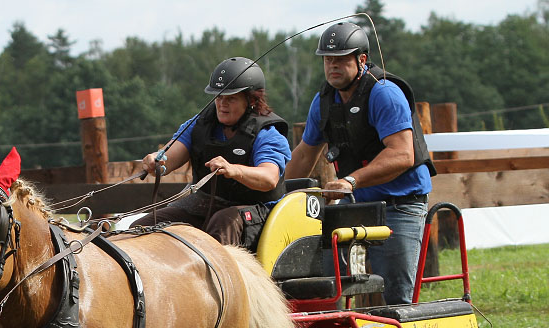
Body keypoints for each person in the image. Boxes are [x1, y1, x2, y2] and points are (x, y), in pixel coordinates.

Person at [286, 22, 436, 305]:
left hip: (400, 204)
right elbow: (306, 153)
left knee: (394, 298)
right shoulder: (323, 101)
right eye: (328, 60)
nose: (332, 66)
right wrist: (278, 197)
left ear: (362, 59)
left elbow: (403, 154)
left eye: (341, 59)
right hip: (355, 206)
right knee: (325, 283)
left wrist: (351, 181)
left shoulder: (384, 93)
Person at [133, 57, 291, 252]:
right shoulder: (199, 125)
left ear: (251, 100)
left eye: (231, 98)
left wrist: (234, 170)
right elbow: (170, 156)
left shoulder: (268, 134)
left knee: (223, 222)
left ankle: (217, 281)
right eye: (219, 97)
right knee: (141, 229)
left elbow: (269, 178)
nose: (222, 104)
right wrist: (157, 161)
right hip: (207, 204)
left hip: (258, 211)